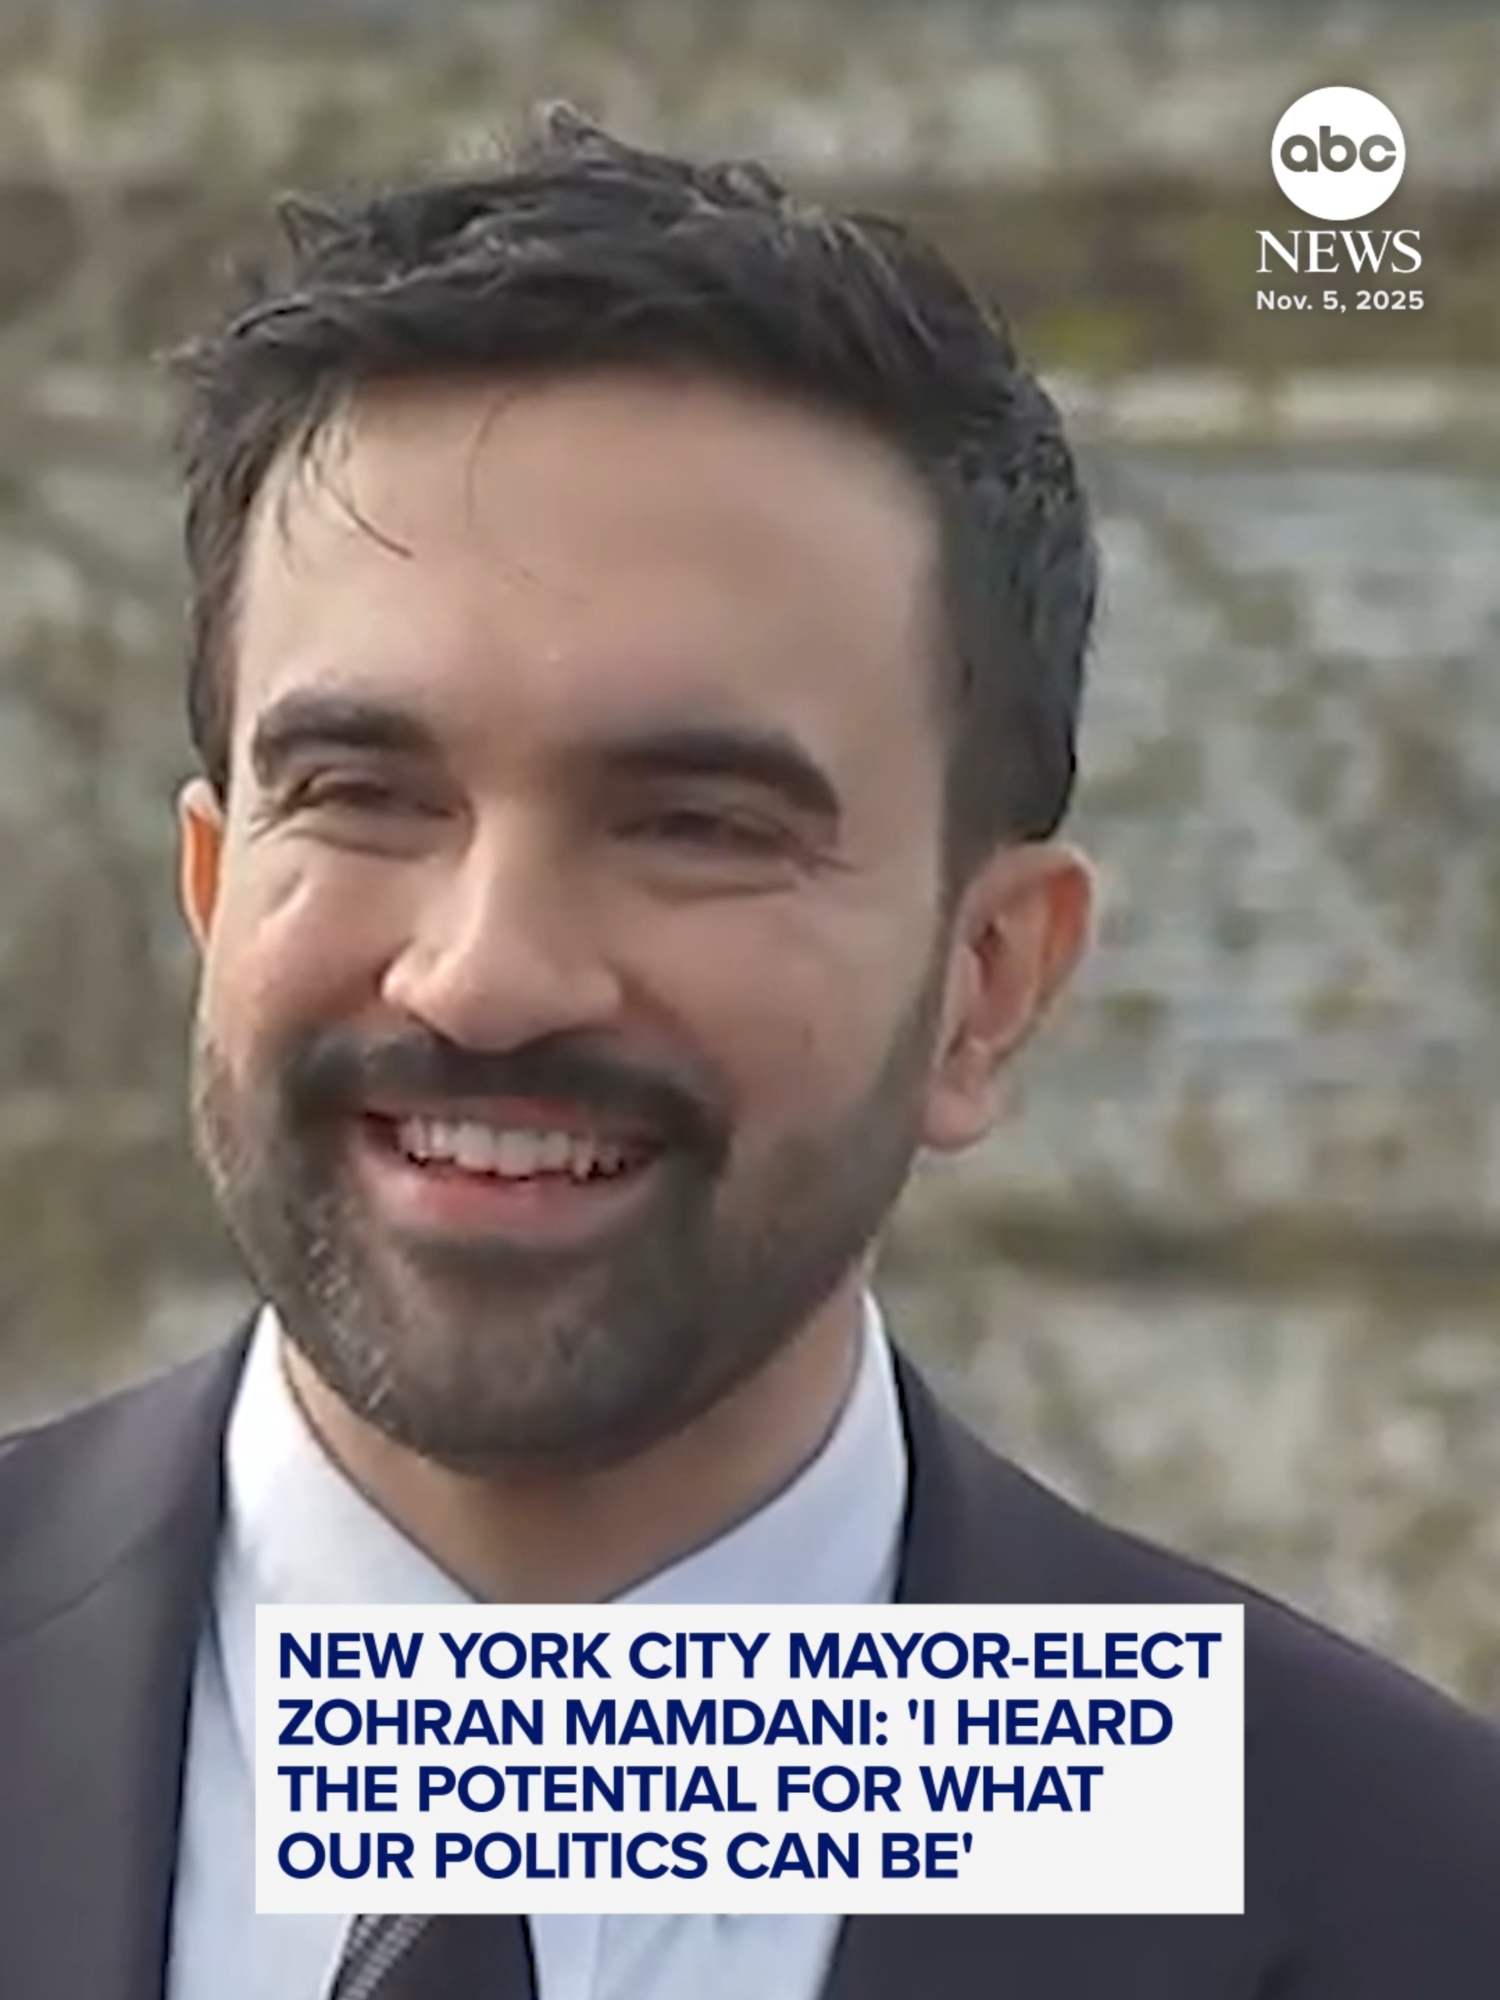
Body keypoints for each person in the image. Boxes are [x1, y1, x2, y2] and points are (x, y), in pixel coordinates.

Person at [0, 103, 1495, 2000]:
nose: (485, 975)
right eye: (364, 793)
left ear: (987, 984)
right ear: (215, 890)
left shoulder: (1417, 1903)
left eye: (695, 824)